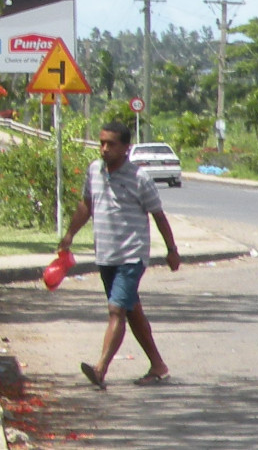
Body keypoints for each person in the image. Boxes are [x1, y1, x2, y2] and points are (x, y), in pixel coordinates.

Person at [57, 119, 181, 389]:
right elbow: (86, 205)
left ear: (126, 148)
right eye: (101, 143)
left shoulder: (140, 179)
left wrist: (172, 250)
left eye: (110, 144)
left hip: (131, 256)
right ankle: (158, 366)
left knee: (116, 310)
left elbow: (158, 216)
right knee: (131, 311)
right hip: (106, 255)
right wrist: (69, 235)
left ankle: (100, 369)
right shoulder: (94, 171)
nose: (104, 149)